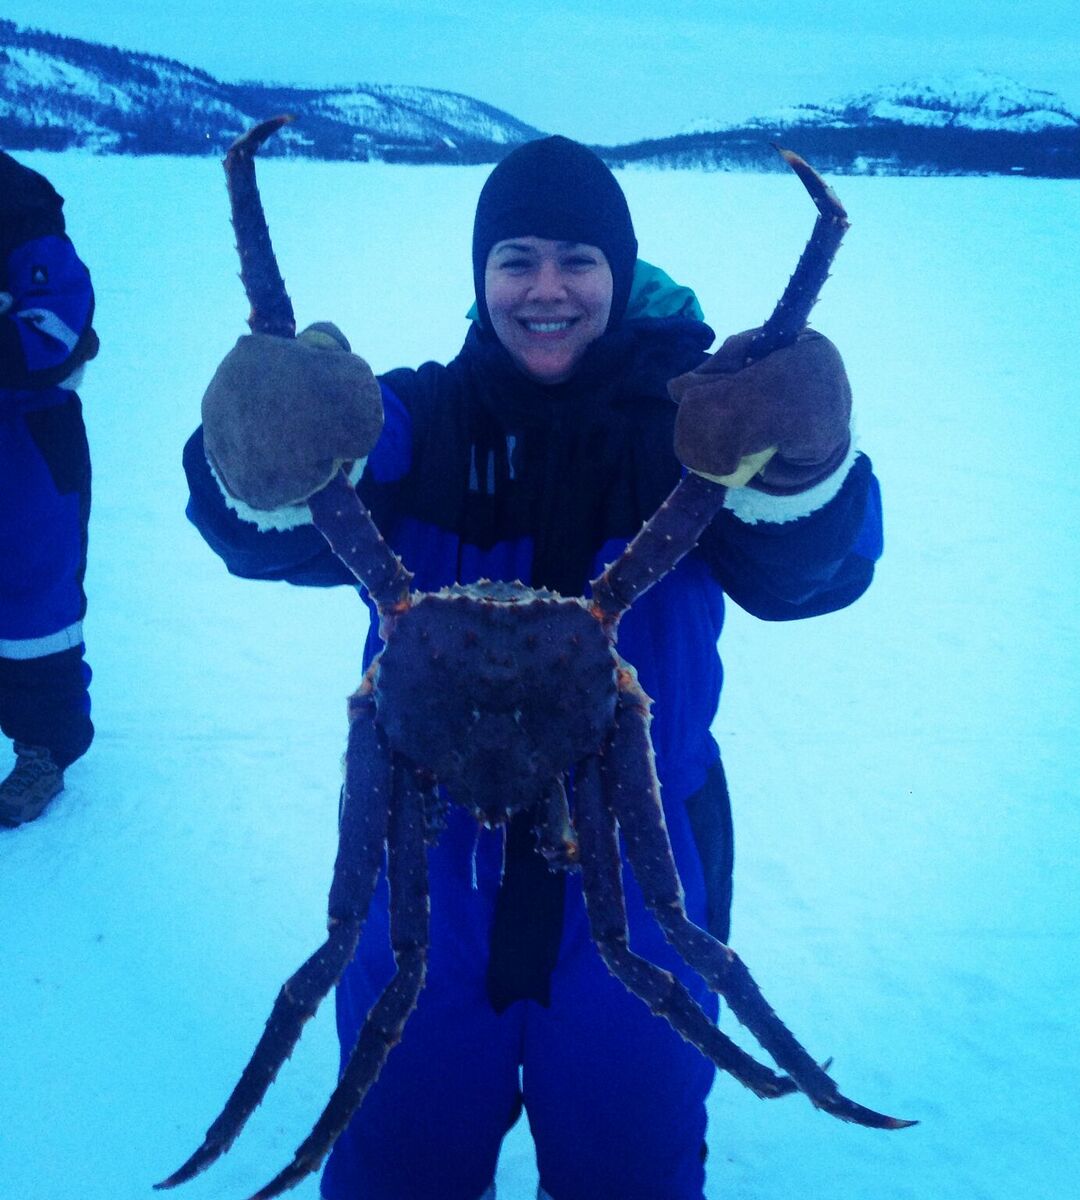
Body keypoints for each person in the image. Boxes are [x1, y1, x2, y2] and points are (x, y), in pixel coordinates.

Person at [184, 136, 883, 1200]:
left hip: (640, 852)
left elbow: (810, 575)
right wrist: (248, 450)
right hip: (420, 859)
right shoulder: (413, 420)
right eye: (514, 258)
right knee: (394, 1159)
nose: (544, 287)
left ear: (618, 272)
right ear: (481, 278)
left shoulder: (697, 432)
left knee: (632, 1163)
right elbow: (273, 523)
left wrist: (802, 464)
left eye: (576, 260)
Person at [0, 151, 99, 827]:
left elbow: (56, 330)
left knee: (36, 604)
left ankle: (45, 747)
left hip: (27, 443)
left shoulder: (20, 201)